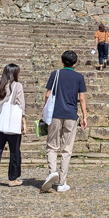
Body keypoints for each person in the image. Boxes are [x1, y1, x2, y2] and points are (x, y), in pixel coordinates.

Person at [40, 50, 87, 193]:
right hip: (71, 115)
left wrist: (44, 111)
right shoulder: (79, 77)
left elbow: (48, 95)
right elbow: (82, 98)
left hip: (55, 114)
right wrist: (84, 116)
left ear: (62, 61)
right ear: (75, 63)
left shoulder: (55, 74)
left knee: (52, 145)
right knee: (66, 149)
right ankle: (61, 182)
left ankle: (52, 172)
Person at [0, 63, 27, 190]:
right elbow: (20, 106)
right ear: (15, 73)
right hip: (12, 125)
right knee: (14, 151)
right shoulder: (18, 86)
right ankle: (13, 179)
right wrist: (24, 123)